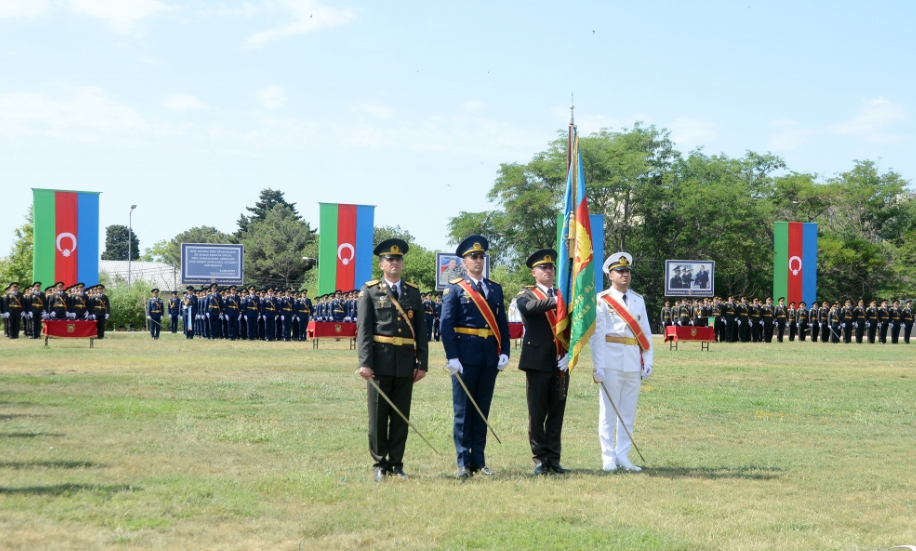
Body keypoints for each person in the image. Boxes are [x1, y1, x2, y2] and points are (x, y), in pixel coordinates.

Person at [356, 238, 428, 482]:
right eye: (390, 259)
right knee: (378, 416)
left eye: (398, 259)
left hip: (406, 363)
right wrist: (365, 363)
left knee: (400, 416)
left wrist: (422, 364)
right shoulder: (370, 291)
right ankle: (380, 463)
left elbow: (421, 330)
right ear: (381, 265)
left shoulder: (413, 292)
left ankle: (397, 463)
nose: (394, 263)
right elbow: (364, 330)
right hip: (379, 362)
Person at [440, 235, 510, 479]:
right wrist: (452, 357)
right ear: (464, 261)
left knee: (482, 410)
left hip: (489, 357)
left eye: (481, 256)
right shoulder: (455, 288)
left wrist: (505, 352)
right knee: (463, 411)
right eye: (473, 257)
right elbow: (446, 325)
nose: (478, 261)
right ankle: (463, 462)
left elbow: (502, 323)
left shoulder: (495, 288)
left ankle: (479, 460)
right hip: (465, 357)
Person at [589, 252, 653, 472]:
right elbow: (597, 336)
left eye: (627, 271)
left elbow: (645, 333)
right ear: (610, 275)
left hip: (633, 361)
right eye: (620, 271)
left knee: (628, 412)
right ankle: (608, 457)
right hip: (611, 360)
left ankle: (623, 455)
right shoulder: (601, 299)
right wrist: (598, 365)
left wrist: (648, 360)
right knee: (608, 412)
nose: (625, 275)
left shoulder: (638, 299)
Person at [515, 248, 570, 475]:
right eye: (543, 268)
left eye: (551, 268)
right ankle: (540, 458)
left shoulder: (563, 293)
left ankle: (554, 459)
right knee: (537, 413)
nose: (548, 271)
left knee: (557, 412)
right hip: (537, 362)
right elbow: (528, 308)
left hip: (560, 359)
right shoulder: (526, 294)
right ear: (533, 273)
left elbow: (574, 324)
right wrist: (556, 301)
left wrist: (570, 352)